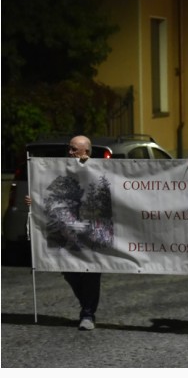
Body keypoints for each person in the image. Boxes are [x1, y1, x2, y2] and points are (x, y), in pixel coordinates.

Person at [26, 135, 100, 331]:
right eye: (69, 148)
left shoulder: (99, 168)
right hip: (66, 231)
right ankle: (87, 305)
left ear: (86, 151)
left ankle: (88, 313)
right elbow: (46, 192)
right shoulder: (59, 169)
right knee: (69, 271)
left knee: (91, 273)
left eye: (74, 149)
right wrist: (33, 199)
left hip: (89, 230)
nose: (70, 152)